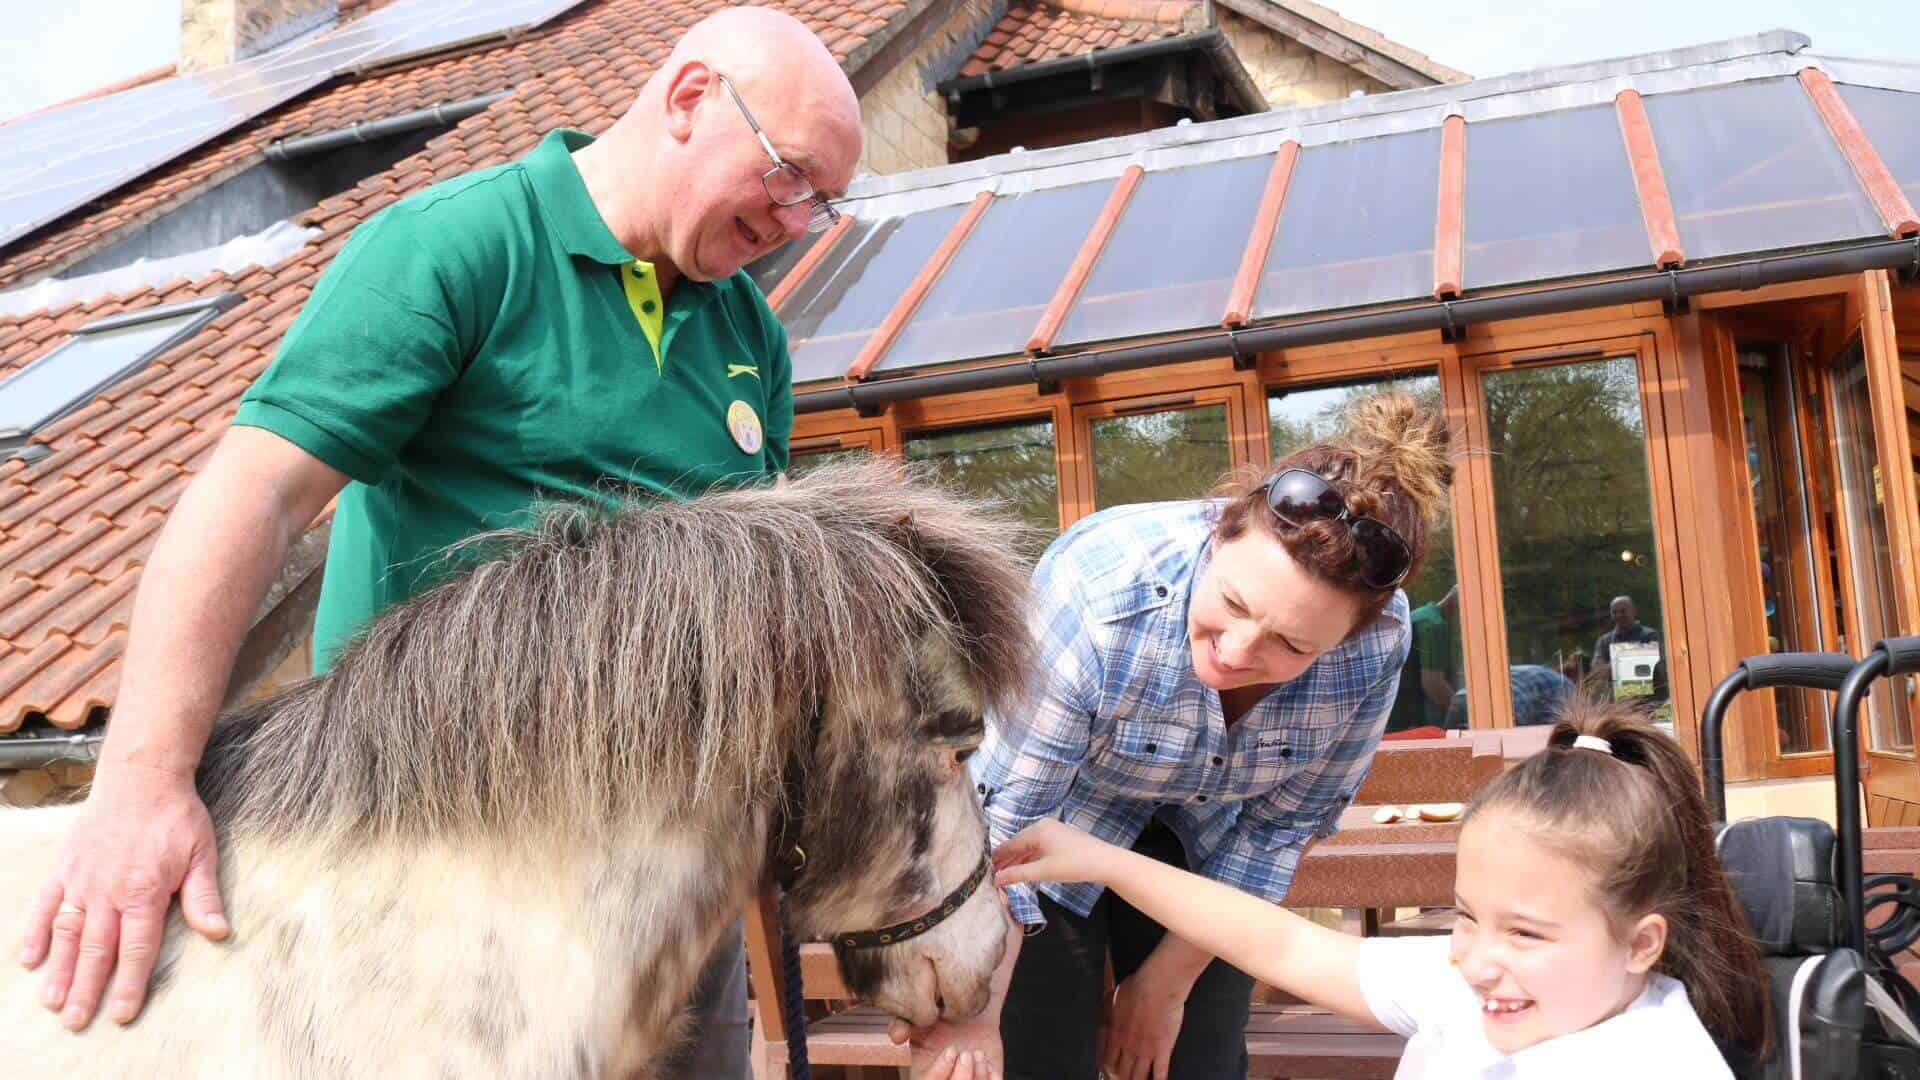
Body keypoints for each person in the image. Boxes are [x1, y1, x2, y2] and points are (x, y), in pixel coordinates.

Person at [15, 10, 862, 1075]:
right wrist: (141, 784)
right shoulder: (459, 244)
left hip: (665, 894)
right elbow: (255, 495)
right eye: (788, 175)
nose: (796, 219)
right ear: (691, 99)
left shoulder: (752, 338)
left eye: (821, 201)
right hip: (442, 879)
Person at [899, 393, 1453, 1079]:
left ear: (1349, 639)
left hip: (1218, 835)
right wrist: (978, 1011)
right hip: (1057, 818)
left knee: (1197, 1056)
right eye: (1234, 604)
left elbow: (1274, 834)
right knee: (1035, 1046)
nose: (1237, 652)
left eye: (1290, 644)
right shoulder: (1099, 598)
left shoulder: (1379, 645)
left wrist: (1162, 990)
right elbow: (1009, 825)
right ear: (1217, 534)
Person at [989, 698, 1773, 1079]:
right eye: (1466, 917)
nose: (1478, 958)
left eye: (1526, 933)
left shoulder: (1647, 1064)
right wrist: (1103, 859)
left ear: (1642, 943)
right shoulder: (1486, 992)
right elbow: (1281, 939)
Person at [1592, 595, 1659, 674]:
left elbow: (1658, 665)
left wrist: (1616, 664)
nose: (1619, 615)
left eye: (1623, 611)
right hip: (1614, 686)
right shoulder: (1604, 641)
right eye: (1614, 612)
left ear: (1633, 611)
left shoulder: (1650, 635)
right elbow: (1597, 667)